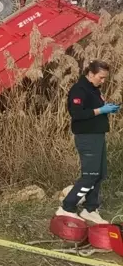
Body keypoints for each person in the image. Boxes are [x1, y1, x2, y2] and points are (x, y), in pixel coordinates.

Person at [56, 60, 120, 225]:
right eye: (101, 77)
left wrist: (108, 108)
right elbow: (77, 114)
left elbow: (93, 110)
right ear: (91, 74)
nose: (103, 81)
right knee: (90, 176)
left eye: (105, 78)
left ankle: (90, 209)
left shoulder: (93, 89)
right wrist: (101, 110)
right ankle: (66, 207)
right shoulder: (79, 89)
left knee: (100, 174)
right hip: (87, 137)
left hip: (98, 136)